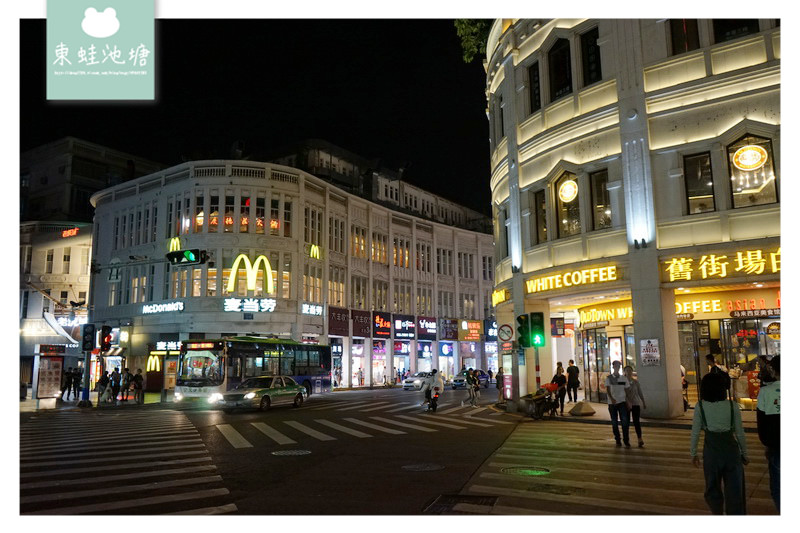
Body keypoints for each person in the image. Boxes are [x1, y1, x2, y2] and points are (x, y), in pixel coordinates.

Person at [691, 371, 748, 515]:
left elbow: (695, 432)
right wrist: (744, 453)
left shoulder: (700, 406)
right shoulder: (732, 406)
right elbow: (740, 433)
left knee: (712, 488)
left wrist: (693, 453)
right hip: (731, 451)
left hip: (711, 452)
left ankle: (717, 513)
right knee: (735, 491)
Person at [756, 355, 780, 512]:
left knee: (778, 487)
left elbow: (762, 423)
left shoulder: (765, 392)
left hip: (776, 445)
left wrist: (767, 444)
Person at [605, 360, 631, 447]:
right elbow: (608, 390)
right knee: (614, 422)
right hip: (612, 403)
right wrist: (612, 399)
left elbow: (627, 390)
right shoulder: (609, 378)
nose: (617, 368)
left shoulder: (623, 378)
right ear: (613, 367)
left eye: (618, 366)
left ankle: (626, 440)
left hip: (622, 402)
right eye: (616, 366)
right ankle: (617, 439)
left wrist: (628, 401)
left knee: (625, 421)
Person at [624, 365, 647, 447]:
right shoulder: (622, 382)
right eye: (627, 370)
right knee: (626, 422)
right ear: (625, 372)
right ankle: (626, 440)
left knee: (636, 422)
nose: (629, 372)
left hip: (636, 403)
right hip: (626, 404)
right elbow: (622, 393)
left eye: (630, 370)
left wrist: (643, 402)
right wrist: (627, 402)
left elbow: (640, 392)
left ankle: (640, 439)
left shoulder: (636, 382)